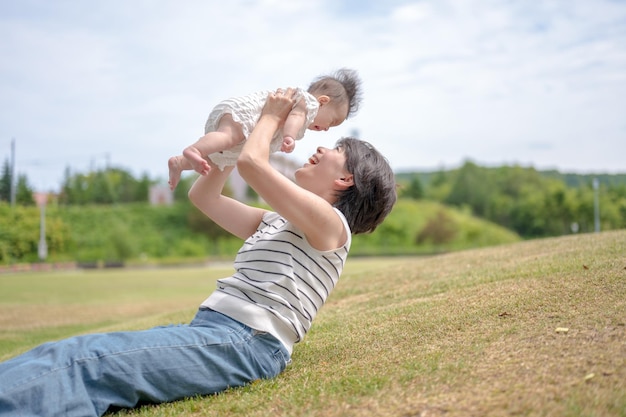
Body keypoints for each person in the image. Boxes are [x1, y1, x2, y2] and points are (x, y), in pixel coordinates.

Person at [0, 88, 397, 417]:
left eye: (335, 149)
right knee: (73, 352)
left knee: (89, 361)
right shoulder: (278, 222)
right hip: (215, 332)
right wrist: (229, 150)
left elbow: (254, 165)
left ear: (346, 178)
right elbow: (204, 195)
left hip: (248, 343)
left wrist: (270, 120)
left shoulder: (332, 228)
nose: (320, 148)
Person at [167, 68, 362, 190]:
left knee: (216, 157)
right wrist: (289, 137)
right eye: (333, 121)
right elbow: (295, 117)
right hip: (243, 116)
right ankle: (194, 150)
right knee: (228, 137)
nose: (327, 129)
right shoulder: (307, 104)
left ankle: (180, 163)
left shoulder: (306, 108)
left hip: (247, 130)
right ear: (322, 101)